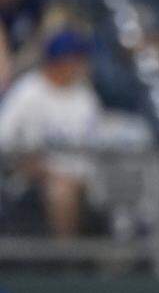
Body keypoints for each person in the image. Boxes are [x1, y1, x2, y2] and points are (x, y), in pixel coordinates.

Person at [0, 30, 103, 238]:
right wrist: (28, 162)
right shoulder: (28, 91)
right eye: (77, 59)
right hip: (31, 176)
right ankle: (65, 259)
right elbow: (4, 138)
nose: (82, 65)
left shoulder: (85, 97)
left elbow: (95, 146)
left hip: (80, 174)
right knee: (61, 190)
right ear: (61, 61)